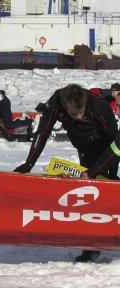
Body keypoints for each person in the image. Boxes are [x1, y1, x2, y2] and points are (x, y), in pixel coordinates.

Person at [14, 83, 120, 263]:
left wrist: (98, 171)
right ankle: (91, 246)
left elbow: (116, 145)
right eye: (73, 114)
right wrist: (29, 163)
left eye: (82, 113)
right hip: (84, 148)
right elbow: (43, 132)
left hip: (105, 148)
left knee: (107, 190)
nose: (78, 117)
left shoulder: (99, 108)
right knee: (89, 196)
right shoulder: (55, 104)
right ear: (65, 107)